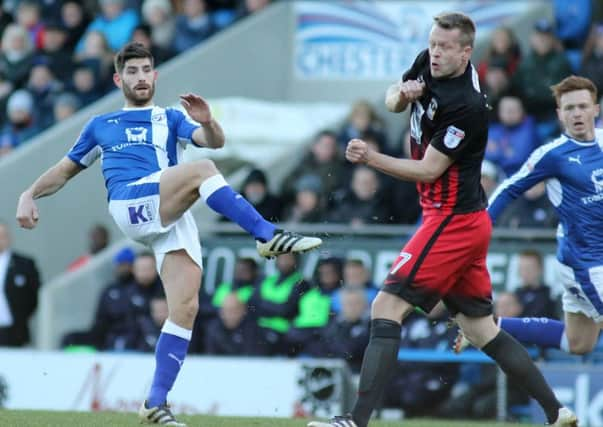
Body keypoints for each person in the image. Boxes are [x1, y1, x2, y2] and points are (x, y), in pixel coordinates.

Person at [15, 42, 321, 426]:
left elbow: (215, 141)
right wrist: (28, 193)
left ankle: (154, 403)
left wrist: (208, 121)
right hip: (130, 202)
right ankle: (265, 233)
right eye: (132, 71)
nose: (140, 77)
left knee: (185, 308)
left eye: (146, 70)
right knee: (203, 170)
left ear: (155, 75)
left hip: (168, 211)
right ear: (118, 78)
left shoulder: (171, 118)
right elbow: (63, 169)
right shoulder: (101, 125)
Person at [308, 12, 576, 427]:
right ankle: (558, 413)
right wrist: (402, 93)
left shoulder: (467, 105)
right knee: (482, 330)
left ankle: (355, 421)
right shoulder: (428, 63)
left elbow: (430, 170)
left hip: (452, 220)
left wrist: (371, 158)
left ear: (466, 52)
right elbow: (393, 99)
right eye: (433, 43)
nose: (434, 52)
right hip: (462, 219)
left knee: (386, 304)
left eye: (445, 47)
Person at [454, 75, 603, 362]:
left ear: (595, 109)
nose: (577, 114)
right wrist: (479, 228)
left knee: (579, 342)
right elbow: (510, 188)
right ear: (559, 114)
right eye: (569, 108)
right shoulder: (552, 155)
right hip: (586, 263)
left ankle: (485, 328)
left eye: (583, 106)